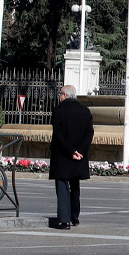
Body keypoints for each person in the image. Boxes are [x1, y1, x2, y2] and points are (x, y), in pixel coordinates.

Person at [49, 85, 93, 230]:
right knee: (75, 185)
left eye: (60, 94)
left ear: (65, 95)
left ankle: (64, 219)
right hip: (79, 155)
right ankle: (75, 216)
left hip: (62, 154)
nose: (59, 96)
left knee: (62, 185)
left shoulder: (58, 110)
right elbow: (89, 134)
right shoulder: (85, 111)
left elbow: (58, 134)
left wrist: (70, 151)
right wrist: (79, 151)